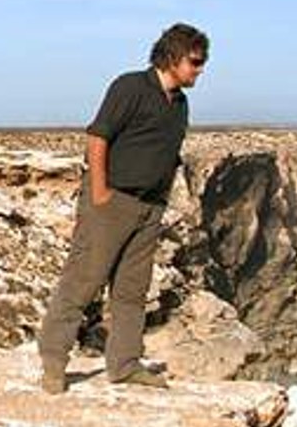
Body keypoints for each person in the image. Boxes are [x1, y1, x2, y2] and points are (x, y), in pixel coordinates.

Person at [37, 23, 209, 392]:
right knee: (84, 282)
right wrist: (99, 193)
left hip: (149, 208)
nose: (200, 69)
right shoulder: (130, 87)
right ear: (173, 57)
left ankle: (125, 364)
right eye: (195, 61)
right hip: (113, 201)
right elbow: (98, 136)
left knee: (132, 291)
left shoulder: (179, 102)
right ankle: (53, 362)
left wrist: (160, 202)